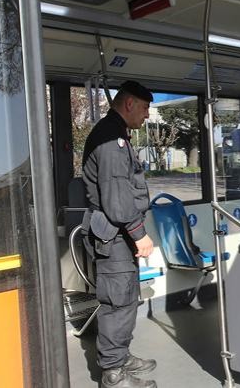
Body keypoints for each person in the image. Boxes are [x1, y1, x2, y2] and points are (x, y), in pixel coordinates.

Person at [82, 80, 157, 388]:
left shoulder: (117, 135)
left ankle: (121, 356)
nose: (147, 115)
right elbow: (117, 199)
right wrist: (140, 234)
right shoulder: (111, 139)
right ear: (129, 104)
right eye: (144, 108)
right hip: (115, 235)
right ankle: (112, 374)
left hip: (119, 235)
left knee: (126, 299)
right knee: (116, 302)